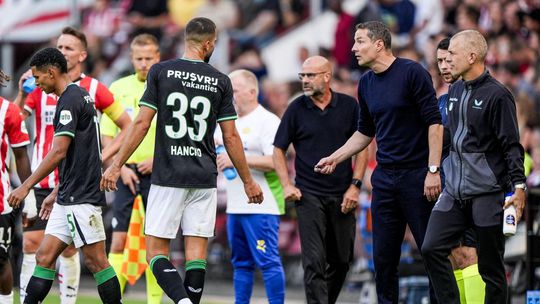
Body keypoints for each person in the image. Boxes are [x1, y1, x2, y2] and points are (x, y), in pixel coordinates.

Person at [100, 17, 264, 304]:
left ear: (186, 40)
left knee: (155, 253)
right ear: (210, 43)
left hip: (168, 175)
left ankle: (183, 302)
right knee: (196, 256)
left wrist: (115, 164)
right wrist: (248, 180)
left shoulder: (161, 72)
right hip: (203, 177)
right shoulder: (220, 81)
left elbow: (140, 124)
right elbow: (231, 137)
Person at [315, 21, 443, 304]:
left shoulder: (412, 72)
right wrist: (336, 158)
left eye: (359, 41)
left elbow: (435, 123)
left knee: (431, 252)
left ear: (379, 44)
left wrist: (433, 170)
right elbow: (365, 132)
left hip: (418, 176)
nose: (353, 48)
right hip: (385, 180)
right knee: (383, 259)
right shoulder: (366, 83)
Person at [13, 26, 131, 304]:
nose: (37, 84)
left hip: (81, 197)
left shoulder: (70, 101)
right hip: (67, 194)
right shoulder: (77, 95)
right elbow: (80, 153)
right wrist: (56, 193)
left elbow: (59, 152)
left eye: (40, 78)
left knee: (97, 261)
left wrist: (25, 186)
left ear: (52, 73)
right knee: (43, 255)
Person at [421, 29, 526, 304]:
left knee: (491, 267)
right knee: (431, 247)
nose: (447, 60)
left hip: (487, 192)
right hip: (453, 192)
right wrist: (432, 169)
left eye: (452, 54)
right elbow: (450, 141)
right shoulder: (454, 89)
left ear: (472, 56)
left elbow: (511, 146)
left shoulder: (498, 95)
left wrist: (518, 186)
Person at [273, 55, 368, 304]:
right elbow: (278, 149)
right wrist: (286, 184)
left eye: (310, 75)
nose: (305, 80)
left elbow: (362, 147)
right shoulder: (296, 109)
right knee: (314, 261)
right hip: (308, 195)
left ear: (327, 76)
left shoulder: (349, 106)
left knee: (341, 261)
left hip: (342, 195)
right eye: (302, 76)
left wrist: (355, 186)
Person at [100, 33, 163, 303]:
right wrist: (120, 166)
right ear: (131, 58)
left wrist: (159, 160)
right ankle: (114, 300)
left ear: (158, 57)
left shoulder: (166, 87)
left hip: (159, 173)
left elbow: (174, 135)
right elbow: (108, 134)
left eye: (149, 58)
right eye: (139, 58)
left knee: (155, 243)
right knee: (118, 240)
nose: (144, 63)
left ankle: (154, 300)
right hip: (126, 173)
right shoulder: (118, 87)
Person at [214, 69, 285, 304]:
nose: (230, 95)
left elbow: (276, 162)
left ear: (252, 92)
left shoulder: (267, 121)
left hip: (262, 206)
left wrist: (238, 158)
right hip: (236, 206)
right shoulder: (226, 122)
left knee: (268, 261)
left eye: (234, 90)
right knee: (241, 263)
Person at [436, 37, 485, 303]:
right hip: (447, 190)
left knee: (469, 253)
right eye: (439, 61)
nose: (444, 66)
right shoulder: (441, 103)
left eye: (448, 59)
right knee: (452, 256)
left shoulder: (483, 94)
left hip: (475, 190)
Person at [0, 70, 32, 304]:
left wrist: (28, 195)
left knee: (0, 259)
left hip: (0, 200)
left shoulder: (7, 110)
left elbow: (21, 156)